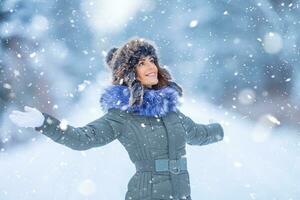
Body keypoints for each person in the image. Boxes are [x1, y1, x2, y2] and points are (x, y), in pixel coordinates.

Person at [9, 37, 224, 200]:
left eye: (152, 60)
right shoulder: (122, 116)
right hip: (146, 193)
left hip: (181, 193)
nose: (151, 67)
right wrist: (43, 122)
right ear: (130, 73)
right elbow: (83, 138)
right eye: (141, 63)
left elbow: (197, 134)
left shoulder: (170, 111)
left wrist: (219, 129)